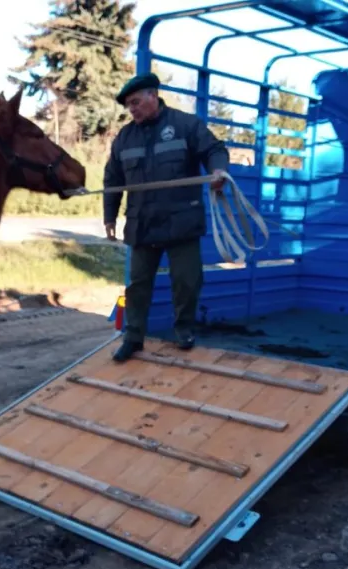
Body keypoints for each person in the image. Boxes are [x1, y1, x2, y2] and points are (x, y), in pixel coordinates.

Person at [104, 72, 230, 363]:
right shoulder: (124, 137)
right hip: (143, 224)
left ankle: (183, 330)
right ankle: (133, 338)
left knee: (187, 281)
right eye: (128, 106)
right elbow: (112, 179)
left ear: (152, 96)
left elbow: (214, 149)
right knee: (137, 285)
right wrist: (109, 216)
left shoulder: (185, 125)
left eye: (136, 102)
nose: (132, 109)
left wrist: (218, 170)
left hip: (181, 221)